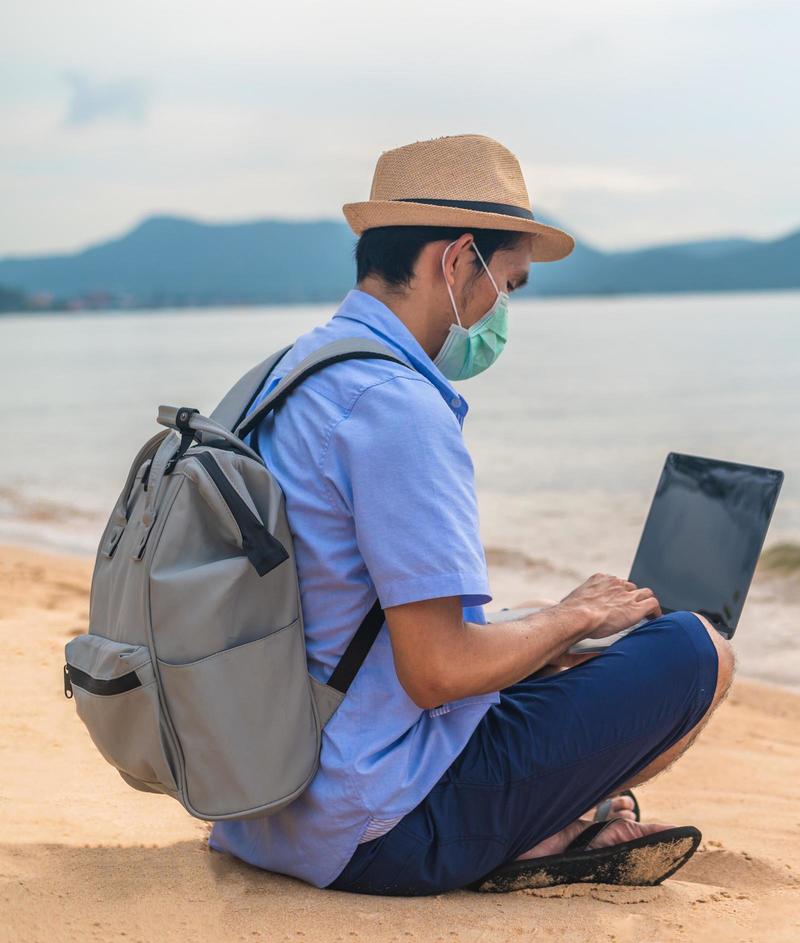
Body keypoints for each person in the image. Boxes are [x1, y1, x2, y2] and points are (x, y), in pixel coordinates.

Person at [208, 135, 734, 896]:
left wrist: (548, 629)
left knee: (555, 648)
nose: (504, 309)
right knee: (696, 650)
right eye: (508, 283)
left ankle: (565, 820)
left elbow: (349, 620)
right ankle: (547, 827)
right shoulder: (396, 408)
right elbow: (439, 671)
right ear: (456, 262)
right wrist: (570, 619)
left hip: (263, 805)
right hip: (373, 831)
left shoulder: (291, 374)